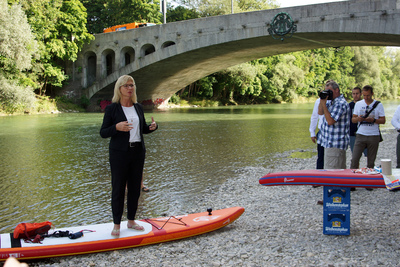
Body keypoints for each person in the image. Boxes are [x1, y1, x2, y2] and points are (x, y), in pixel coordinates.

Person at [100, 75, 158, 237]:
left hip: (138, 152)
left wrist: (153, 127)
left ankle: (131, 221)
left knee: (134, 188)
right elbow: (103, 132)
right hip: (119, 154)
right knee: (118, 188)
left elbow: (143, 129)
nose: (130, 88)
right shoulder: (112, 109)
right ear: (119, 88)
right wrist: (117, 127)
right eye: (126, 85)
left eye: (132, 85)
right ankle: (117, 224)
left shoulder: (138, 107)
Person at [350, 85, 385, 169]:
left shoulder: (378, 105)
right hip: (361, 134)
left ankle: (369, 178)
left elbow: (383, 120)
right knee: (354, 159)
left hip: (373, 135)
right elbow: (353, 119)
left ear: (372, 94)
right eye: (364, 95)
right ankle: (353, 177)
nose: (366, 97)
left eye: (368, 95)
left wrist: (373, 120)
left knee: (371, 161)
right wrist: (358, 119)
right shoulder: (358, 104)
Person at [318, 81, 350, 169]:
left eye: (329, 91)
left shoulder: (340, 103)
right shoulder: (331, 101)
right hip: (329, 144)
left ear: (337, 90)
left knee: (331, 174)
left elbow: (330, 121)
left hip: (335, 145)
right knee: (337, 174)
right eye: (326, 91)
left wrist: (324, 105)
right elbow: (320, 112)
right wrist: (322, 100)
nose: (328, 94)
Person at [310, 98, 324, 169]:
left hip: (332, 133)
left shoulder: (336, 100)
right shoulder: (319, 100)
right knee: (320, 156)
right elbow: (314, 116)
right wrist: (312, 132)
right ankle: (319, 176)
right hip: (321, 131)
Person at [348, 87, 362, 152]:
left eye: (357, 93)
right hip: (352, 132)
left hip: (363, 132)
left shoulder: (364, 104)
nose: (355, 95)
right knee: (354, 154)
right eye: (353, 94)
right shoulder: (349, 105)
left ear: (361, 94)